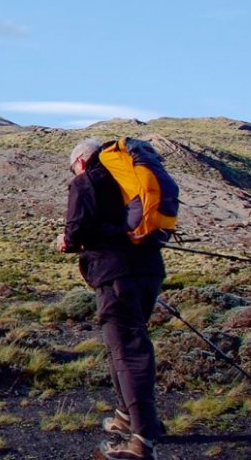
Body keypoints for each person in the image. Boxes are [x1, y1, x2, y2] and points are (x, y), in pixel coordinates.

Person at [57, 138, 165, 460]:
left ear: (81, 161)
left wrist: (66, 241)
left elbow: (76, 231)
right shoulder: (127, 178)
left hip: (116, 275)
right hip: (149, 271)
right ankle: (127, 416)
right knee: (126, 346)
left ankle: (142, 442)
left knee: (127, 352)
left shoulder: (87, 181)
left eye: (73, 166)